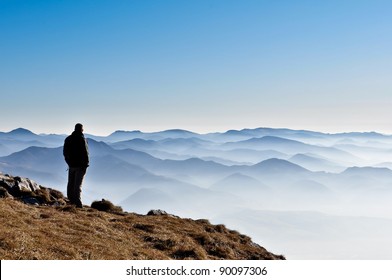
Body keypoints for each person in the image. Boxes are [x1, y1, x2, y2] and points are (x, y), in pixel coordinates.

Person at [63, 123, 89, 208]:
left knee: (71, 183)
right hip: (81, 166)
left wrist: (69, 163)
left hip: (71, 165)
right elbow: (85, 153)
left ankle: (71, 201)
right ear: (81, 129)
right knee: (78, 185)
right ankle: (78, 204)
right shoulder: (82, 139)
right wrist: (86, 164)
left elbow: (65, 153)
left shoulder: (68, 139)